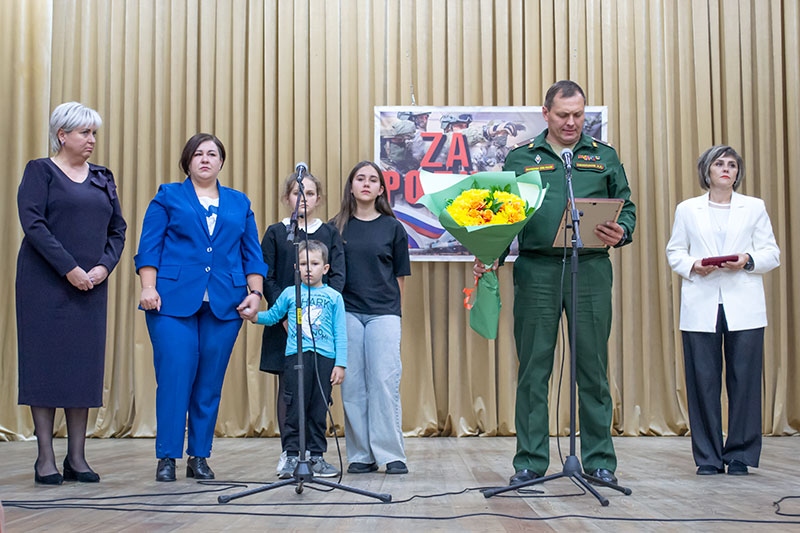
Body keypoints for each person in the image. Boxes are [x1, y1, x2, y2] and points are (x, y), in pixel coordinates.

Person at [476, 80, 636, 485]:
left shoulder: (604, 156)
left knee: (593, 368)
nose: (571, 123)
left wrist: (624, 229)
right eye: (563, 115)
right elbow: (503, 215)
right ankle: (529, 461)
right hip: (538, 271)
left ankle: (600, 460)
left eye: (578, 115)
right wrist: (489, 254)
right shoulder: (521, 157)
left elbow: (627, 205)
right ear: (545, 113)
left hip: (592, 269)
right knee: (534, 368)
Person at [135, 133, 267, 482]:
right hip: (170, 302)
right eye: (198, 154)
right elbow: (149, 247)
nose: (205, 159)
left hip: (226, 304)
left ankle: (199, 456)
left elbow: (252, 253)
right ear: (188, 161)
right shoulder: (168, 196)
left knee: (209, 384)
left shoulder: (239, 202)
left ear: (221, 162)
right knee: (175, 377)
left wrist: (256, 292)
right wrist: (148, 287)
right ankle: (167, 457)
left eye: (212, 154)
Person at [16, 102, 127, 485]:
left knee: (83, 368)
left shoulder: (102, 176)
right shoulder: (40, 171)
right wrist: (70, 269)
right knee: (45, 365)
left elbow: (118, 230)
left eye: (94, 133)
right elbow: (33, 223)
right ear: (62, 135)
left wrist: (102, 268)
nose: (92, 140)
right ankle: (45, 457)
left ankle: (77, 457)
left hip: (91, 286)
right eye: (84, 133)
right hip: (44, 283)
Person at [666, 145, 779, 476]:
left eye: (732, 164)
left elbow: (772, 253)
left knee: (745, 381)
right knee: (703, 382)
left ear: (737, 172)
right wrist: (694, 265)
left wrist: (747, 260)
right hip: (700, 302)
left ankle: (741, 454)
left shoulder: (754, 208)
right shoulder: (687, 209)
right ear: (707, 171)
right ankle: (709, 458)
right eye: (719, 164)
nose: (726, 169)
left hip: (744, 304)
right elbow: (675, 252)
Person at [259, 170, 345, 475]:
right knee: (290, 391)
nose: (303, 199)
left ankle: (316, 455)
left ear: (318, 199)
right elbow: (266, 276)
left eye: (309, 193)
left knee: (317, 392)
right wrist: (283, 315)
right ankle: (291, 453)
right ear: (287, 198)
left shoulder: (330, 233)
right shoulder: (275, 232)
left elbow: (338, 277)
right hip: (285, 325)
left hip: (319, 327)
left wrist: (317, 312)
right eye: (297, 193)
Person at [332, 161, 411, 475]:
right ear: (351, 186)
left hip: (384, 314)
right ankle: (361, 455)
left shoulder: (393, 228)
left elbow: (400, 277)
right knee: (352, 385)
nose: (366, 184)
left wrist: (395, 314)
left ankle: (391, 453)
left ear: (381, 189)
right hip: (346, 313)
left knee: (383, 381)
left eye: (372, 180)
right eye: (359, 178)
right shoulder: (335, 227)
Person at [250, 240, 346, 479]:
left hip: (324, 359)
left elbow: (340, 333)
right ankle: (292, 455)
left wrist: (340, 364)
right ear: (296, 267)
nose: (308, 269)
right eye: (303, 263)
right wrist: (253, 317)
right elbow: (273, 316)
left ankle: (317, 457)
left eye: (314, 264)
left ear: (325, 268)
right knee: (294, 407)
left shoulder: (334, 297)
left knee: (317, 408)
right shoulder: (289, 293)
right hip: (296, 358)